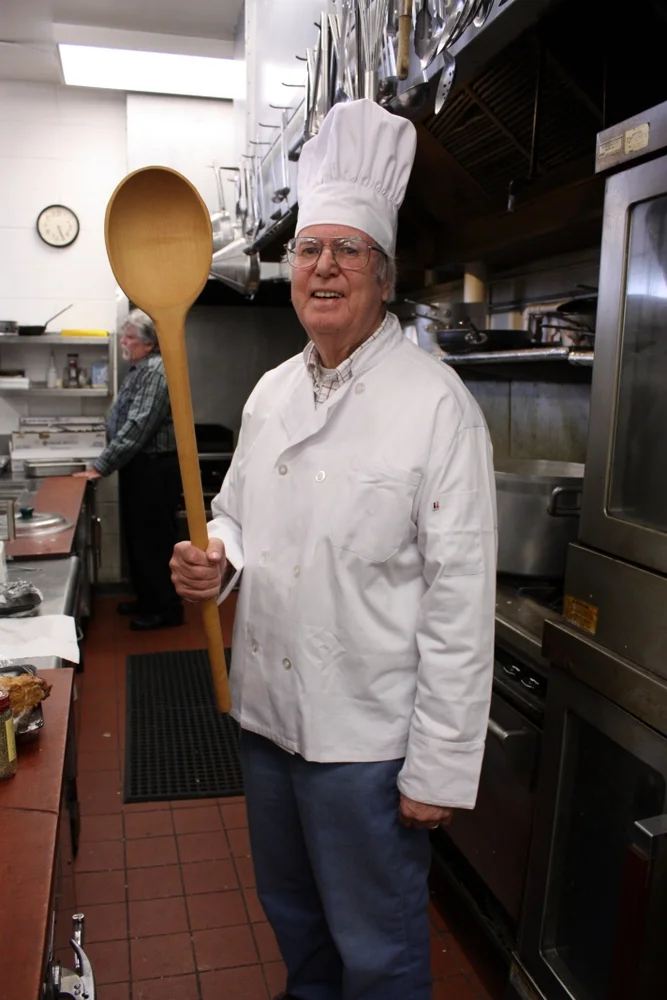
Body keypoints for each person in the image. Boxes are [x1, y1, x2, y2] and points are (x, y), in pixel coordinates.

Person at [170, 99, 496, 1000]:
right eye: (309, 249)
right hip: (269, 718)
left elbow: (459, 599)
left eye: (347, 250)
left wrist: (437, 766)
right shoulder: (272, 392)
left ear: (381, 276)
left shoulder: (435, 406)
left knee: (377, 950)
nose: (322, 267)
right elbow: (236, 516)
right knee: (295, 922)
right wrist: (217, 558)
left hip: (366, 740)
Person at [74, 309, 183, 631]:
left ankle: (166, 609)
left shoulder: (157, 371)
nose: (123, 341)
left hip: (154, 468)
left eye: (130, 337)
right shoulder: (141, 369)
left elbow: (139, 425)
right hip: (140, 466)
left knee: (154, 541)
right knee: (138, 538)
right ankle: (147, 599)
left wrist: (101, 465)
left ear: (149, 343)